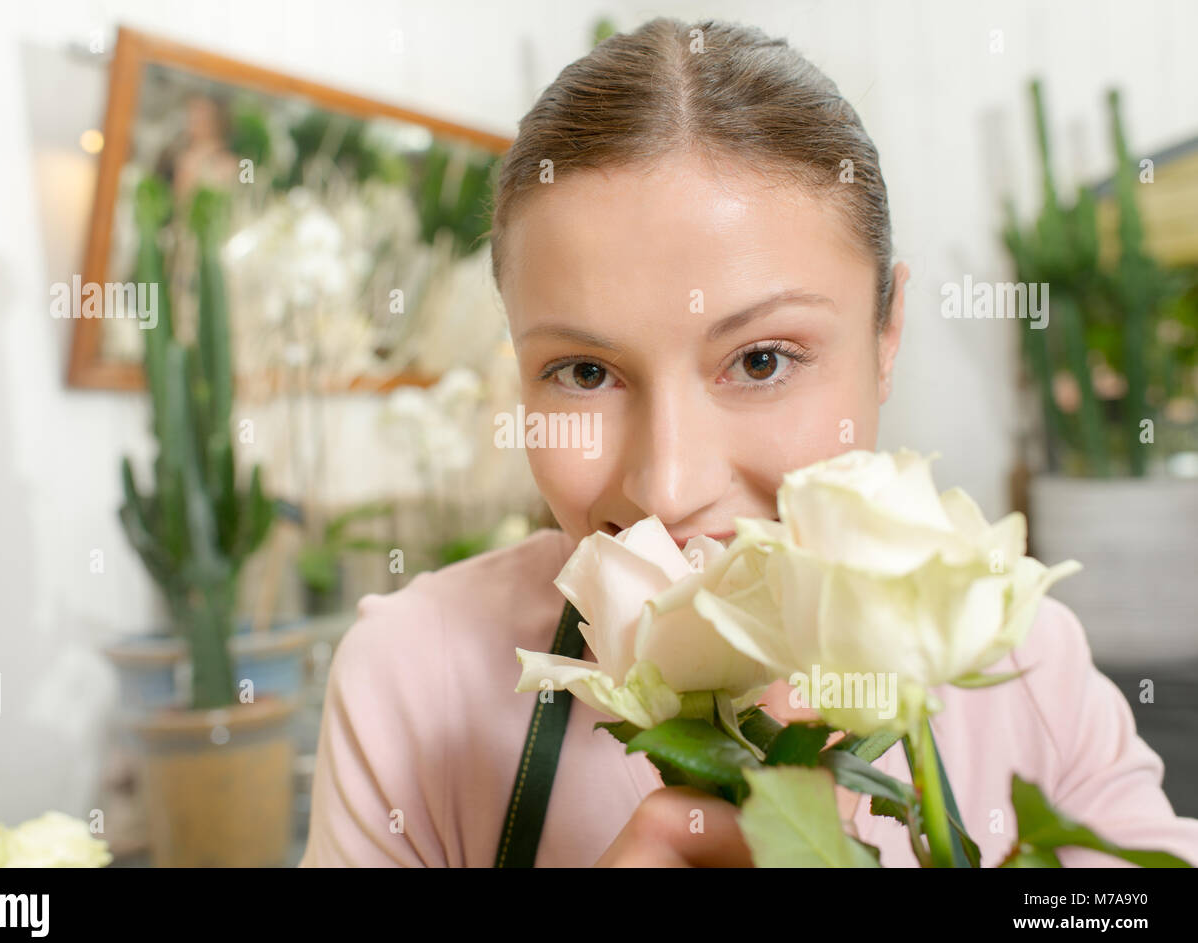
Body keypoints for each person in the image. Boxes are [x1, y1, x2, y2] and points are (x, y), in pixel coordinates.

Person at [299, 16, 1198, 867]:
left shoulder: (1014, 649)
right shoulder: (412, 682)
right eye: (582, 371)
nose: (668, 486)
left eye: (761, 359)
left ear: (887, 337)